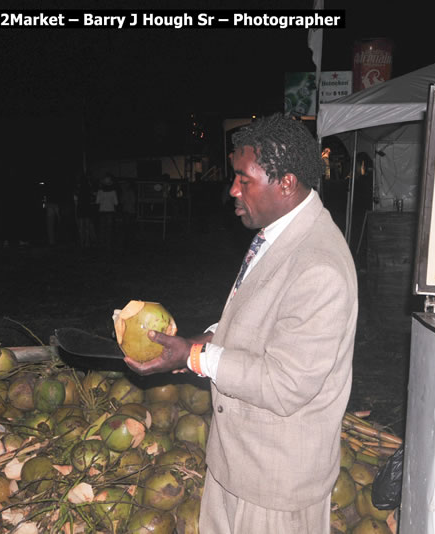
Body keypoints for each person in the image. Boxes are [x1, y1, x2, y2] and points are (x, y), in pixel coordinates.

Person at [125, 114, 358, 533]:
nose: (232, 189)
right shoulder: (280, 233)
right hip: (239, 463)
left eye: (243, 179)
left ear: (285, 183)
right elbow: (259, 317)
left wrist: (198, 358)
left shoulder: (318, 267)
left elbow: (285, 385)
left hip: (274, 482)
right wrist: (198, 344)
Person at [95, 174, 118, 249]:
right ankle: (108, 245)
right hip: (110, 211)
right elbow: (116, 203)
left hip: (102, 211)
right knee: (109, 229)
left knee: (102, 229)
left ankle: (102, 244)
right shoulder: (113, 192)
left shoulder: (100, 191)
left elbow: (97, 202)